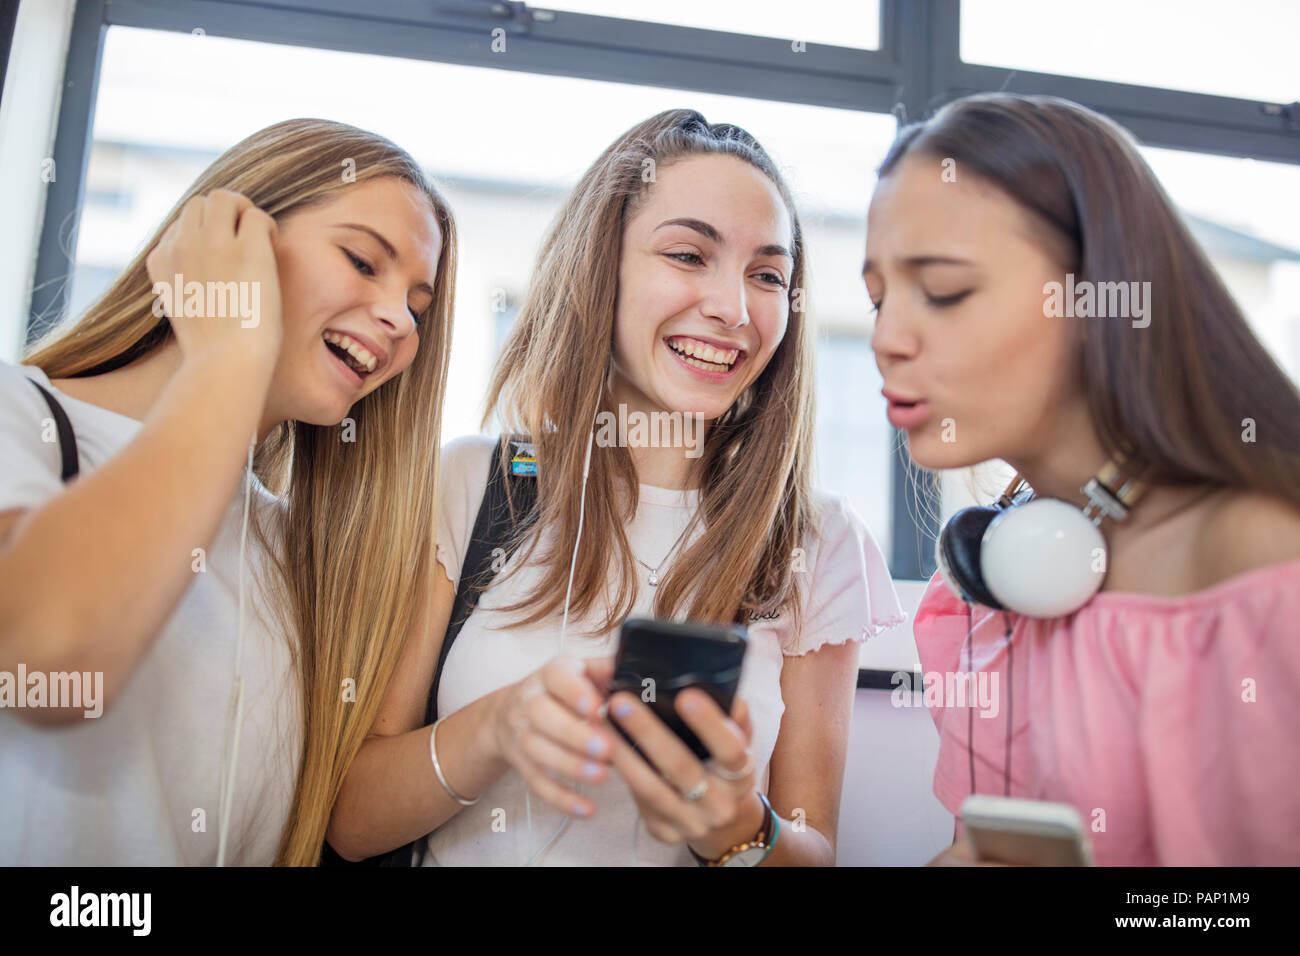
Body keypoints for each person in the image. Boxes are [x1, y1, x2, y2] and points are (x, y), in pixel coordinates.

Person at [328, 108, 904, 866]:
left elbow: (814, 848)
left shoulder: (819, 542)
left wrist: (739, 827)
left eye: (767, 275)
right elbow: (351, 820)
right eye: (689, 255)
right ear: (603, 268)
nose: (734, 309)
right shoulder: (472, 483)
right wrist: (496, 728)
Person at [0, 118, 457, 866]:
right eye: (361, 260)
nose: (400, 320)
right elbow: (49, 663)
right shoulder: (17, 414)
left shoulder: (289, 552)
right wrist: (230, 350)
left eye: (419, 304)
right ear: (230, 238)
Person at [864, 93, 1300, 866]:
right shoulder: (998, 580)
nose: (888, 338)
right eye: (878, 300)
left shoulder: (1262, 564)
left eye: (944, 292)